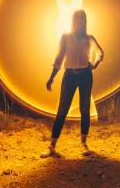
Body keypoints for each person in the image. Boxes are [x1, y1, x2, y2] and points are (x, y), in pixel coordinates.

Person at [40, 9, 104, 158]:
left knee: (85, 109)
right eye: (77, 18)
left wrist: (94, 65)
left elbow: (100, 52)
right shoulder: (66, 37)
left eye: (82, 18)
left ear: (85, 21)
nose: (80, 21)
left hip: (86, 76)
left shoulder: (89, 38)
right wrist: (51, 78)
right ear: (73, 20)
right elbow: (59, 58)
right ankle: (52, 145)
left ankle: (83, 144)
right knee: (62, 109)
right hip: (69, 76)